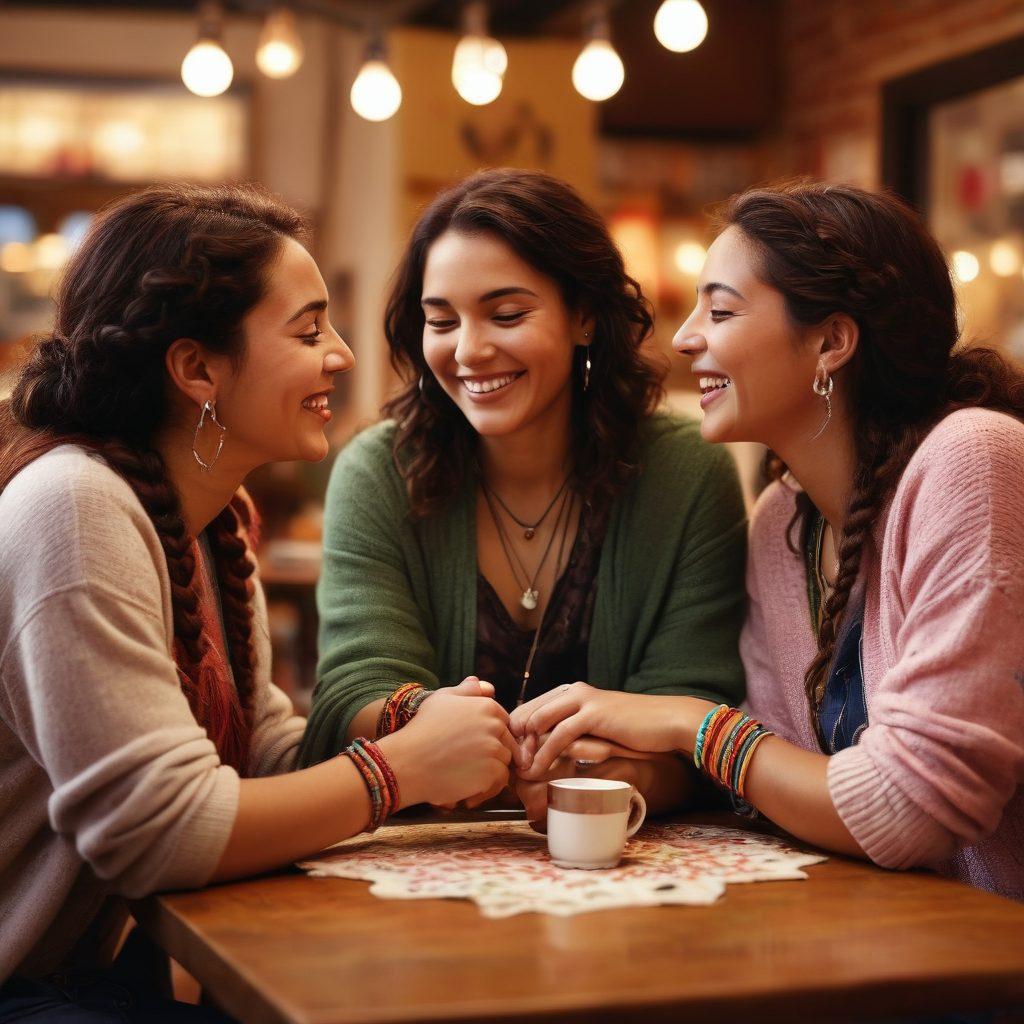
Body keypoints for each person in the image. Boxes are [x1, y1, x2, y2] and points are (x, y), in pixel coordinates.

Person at [0, 183, 513, 1021]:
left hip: (86, 978)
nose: (342, 356)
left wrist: (420, 732)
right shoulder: (75, 507)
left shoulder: (211, 517)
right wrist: (399, 770)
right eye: (309, 331)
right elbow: (159, 832)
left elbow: (262, 749)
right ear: (197, 368)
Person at [510, 179, 1024, 900]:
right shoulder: (784, 522)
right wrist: (638, 766)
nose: (686, 336)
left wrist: (694, 725)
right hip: (879, 939)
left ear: (831, 341)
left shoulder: (973, 460)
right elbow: (777, 789)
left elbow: (912, 812)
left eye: (720, 310)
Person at [299, 168, 747, 823]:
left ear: (584, 317)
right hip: (413, 861)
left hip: (625, 868)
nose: (470, 350)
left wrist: (598, 775)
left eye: (506, 314)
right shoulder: (379, 471)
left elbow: (697, 715)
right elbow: (353, 690)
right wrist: (443, 734)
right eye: (441, 321)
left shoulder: (684, 471)